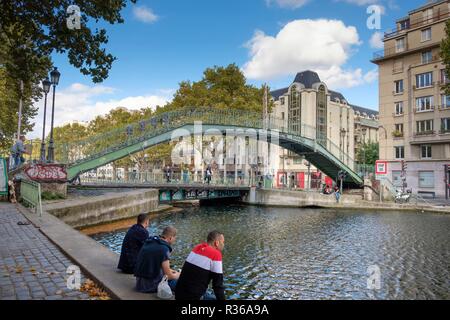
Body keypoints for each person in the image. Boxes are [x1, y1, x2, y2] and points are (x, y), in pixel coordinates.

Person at [175, 231, 225, 300]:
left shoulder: (197, 248)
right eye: (223, 242)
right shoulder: (216, 254)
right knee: (214, 297)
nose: (223, 244)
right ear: (217, 243)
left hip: (178, 294)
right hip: (192, 297)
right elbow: (218, 286)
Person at [134, 226, 180, 294]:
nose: (175, 240)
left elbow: (155, 265)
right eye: (175, 238)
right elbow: (169, 276)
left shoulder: (150, 241)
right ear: (170, 238)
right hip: (150, 286)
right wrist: (179, 274)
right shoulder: (164, 249)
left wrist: (172, 271)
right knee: (183, 283)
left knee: (173, 274)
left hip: (140, 283)